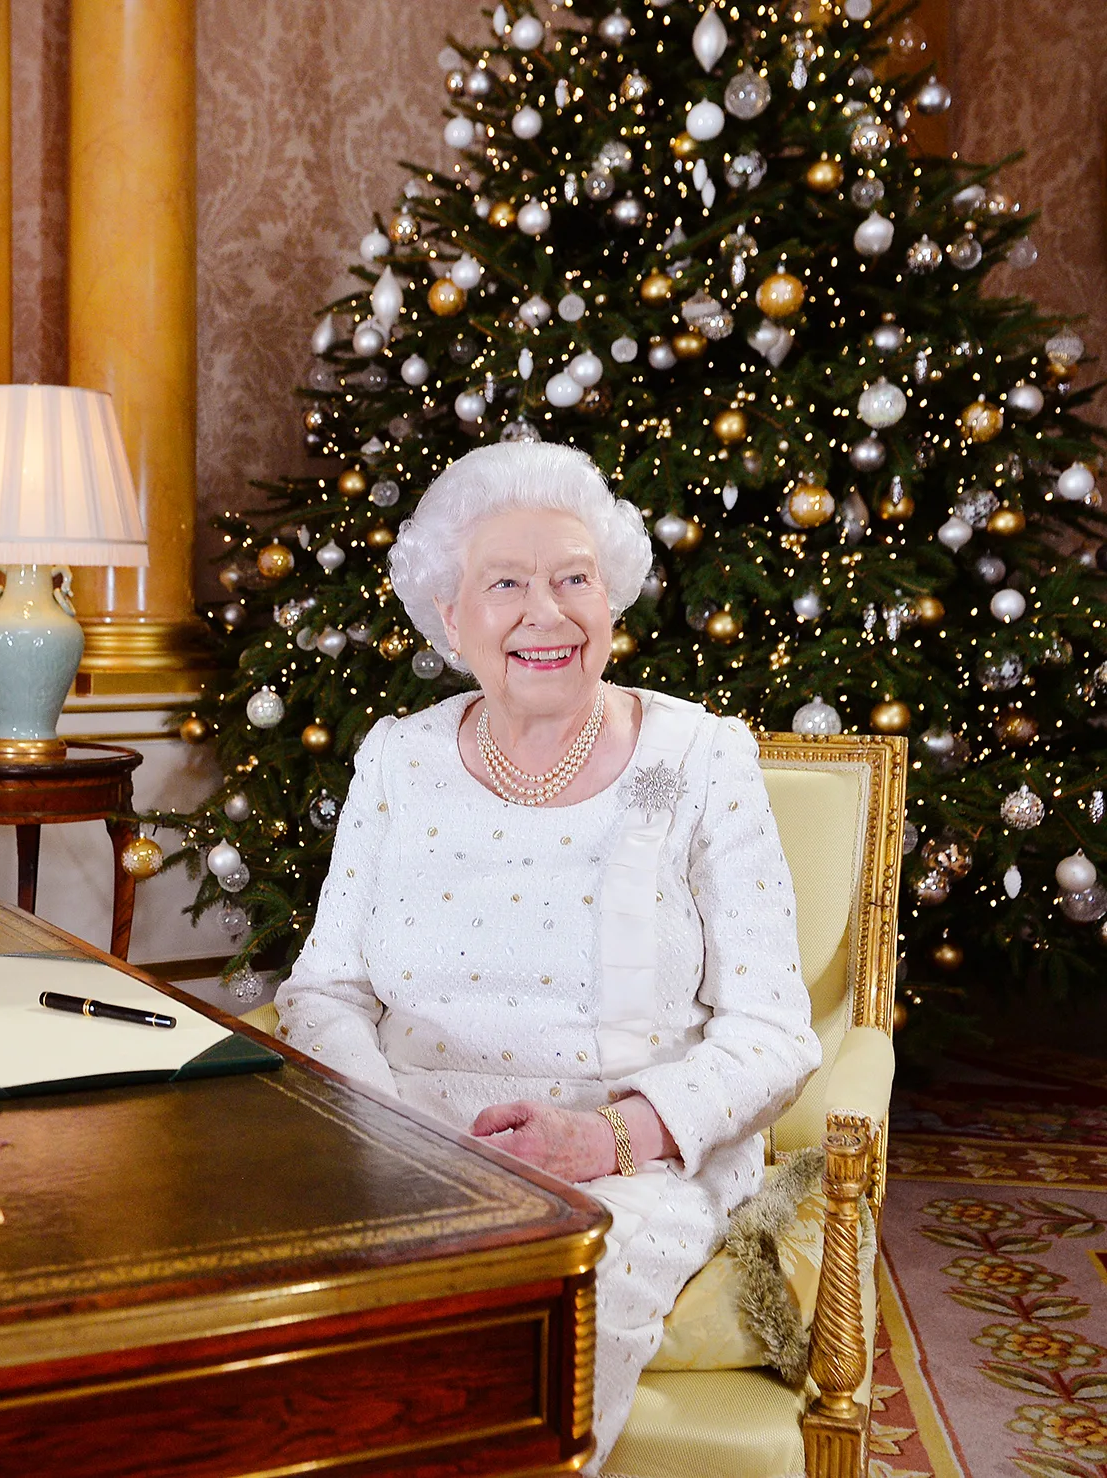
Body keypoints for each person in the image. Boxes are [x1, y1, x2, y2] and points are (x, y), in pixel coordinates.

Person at [273, 442, 820, 1473]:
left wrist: (610, 1135)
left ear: (612, 601)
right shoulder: (397, 757)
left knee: (532, 1325)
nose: (546, 612)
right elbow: (327, 986)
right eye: (507, 582)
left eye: (575, 578)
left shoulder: (701, 759)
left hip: (621, 1167)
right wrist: (384, 1130)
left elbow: (771, 1028)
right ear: (449, 616)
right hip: (401, 1142)